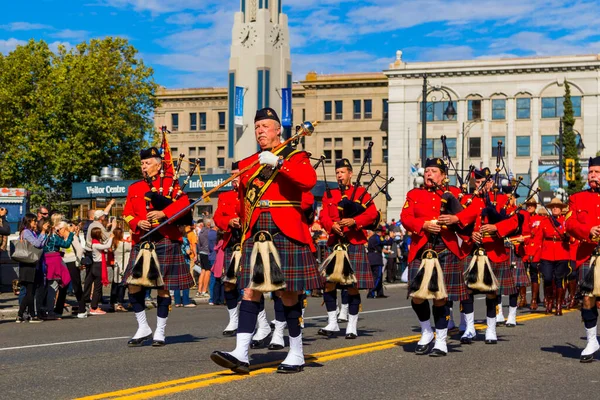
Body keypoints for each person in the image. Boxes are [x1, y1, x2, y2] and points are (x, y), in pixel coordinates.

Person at [211, 107, 320, 374]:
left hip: (285, 227)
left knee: (288, 294)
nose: (260, 131)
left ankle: (296, 352)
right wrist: (236, 225)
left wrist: (279, 163)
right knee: (249, 290)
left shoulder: (296, 156)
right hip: (256, 229)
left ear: (277, 130)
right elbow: (242, 201)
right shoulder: (249, 163)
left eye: (265, 126)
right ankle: (241, 353)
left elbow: (309, 182)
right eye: (257, 126)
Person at [121, 146, 195, 347]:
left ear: (158, 164)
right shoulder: (134, 188)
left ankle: (160, 331)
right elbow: (127, 212)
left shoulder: (171, 183)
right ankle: (143, 326)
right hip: (142, 239)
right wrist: (137, 223)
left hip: (164, 238)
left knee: (162, 288)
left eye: (147, 163)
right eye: (142, 163)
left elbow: (185, 205)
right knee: (133, 284)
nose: (144, 166)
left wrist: (164, 214)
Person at [440, 167, 520, 345]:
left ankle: (491, 329)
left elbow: (514, 221)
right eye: (477, 182)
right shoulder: (468, 200)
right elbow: (459, 223)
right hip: (471, 249)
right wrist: (469, 235)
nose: (481, 185)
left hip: (493, 249)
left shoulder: (501, 200)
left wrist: (496, 228)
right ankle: (469, 328)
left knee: (491, 292)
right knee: (467, 292)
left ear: (491, 182)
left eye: (484, 182)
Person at [401, 158, 470, 356]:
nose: (428, 174)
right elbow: (405, 217)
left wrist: (455, 217)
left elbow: (468, 215)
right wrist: (423, 225)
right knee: (418, 297)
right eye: (427, 171)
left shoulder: (454, 193)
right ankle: (426, 331)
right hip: (421, 248)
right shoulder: (414, 194)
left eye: (433, 171)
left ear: (443, 175)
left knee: (440, 298)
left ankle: (441, 340)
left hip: (445, 247)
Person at [317, 158, 379, 339]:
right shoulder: (329, 194)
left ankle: (352, 325)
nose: (339, 176)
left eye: (342, 172)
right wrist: (331, 225)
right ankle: (332, 323)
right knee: (328, 285)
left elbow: (372, 214)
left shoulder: (361, 192)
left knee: (352, 286)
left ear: (350, 174)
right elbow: (323, 216)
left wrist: (354, 221)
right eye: (337, 173)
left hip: (354, 242)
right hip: (335, 243)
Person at [566, 156, 600, 362]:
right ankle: (591, 340)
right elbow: (569, 225)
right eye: (590, 172)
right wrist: (588, 230)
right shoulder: (577, 197)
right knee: (588, 298)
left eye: (596, 172)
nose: (592, 175)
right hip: (588, 254)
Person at [213, 162, 243, 336]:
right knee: (229, 284)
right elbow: (218, 217)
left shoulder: (250, 194)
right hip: (231, 243)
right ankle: (233, 320)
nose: (233, 178)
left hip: (248, 243)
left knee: (250, 286)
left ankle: (261, 323)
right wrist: (229, 221)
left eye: (236, 175)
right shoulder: (225, 196)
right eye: (232, 175)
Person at [532, 197, 570, 316]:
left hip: (562, 252)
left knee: (559, 279)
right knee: (547, 278)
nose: (555, 208)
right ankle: (549, 301)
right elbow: (538, 240)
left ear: (561, 209)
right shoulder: (545, 221)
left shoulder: (565, 222)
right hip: (547, 253)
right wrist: (534, 256)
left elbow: (572, 236)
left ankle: (558, 305)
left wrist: (567, 236)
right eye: (553, 207)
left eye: (557, 207)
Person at [16, 214, 49, 323]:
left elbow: (41, 245)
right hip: (28, 265)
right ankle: (24, 314)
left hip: (32, 264)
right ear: (28, 222)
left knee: (31, 291)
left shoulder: (31, 232)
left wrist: (44, 235)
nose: (35, 223)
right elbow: (37, 244)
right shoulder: (26, 232)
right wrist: (43, 232)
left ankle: (27, 314)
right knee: (29, 292)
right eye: (33, 221)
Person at [42, 220, 74, 320]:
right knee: (53, 286)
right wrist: (71, 234)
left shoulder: (42, 235)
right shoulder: (54, 237)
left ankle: (42, 309)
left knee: (45, 287)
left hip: (45, 260)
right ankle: (50, 311)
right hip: (54, 262)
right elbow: (66, 244)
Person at [56, 221, 85, 318]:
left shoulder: (72, 237)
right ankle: (58, 310)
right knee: (62, 287)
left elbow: (80, 249)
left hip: (73, 262)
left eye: (58, 230)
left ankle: (82, 309)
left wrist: (78, 262)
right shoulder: (60, 238)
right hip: (64, 263)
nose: (58, 232)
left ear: (64, 228)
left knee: (77, 286)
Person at [110, 227, 131, 312]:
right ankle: (119, 304)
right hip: (123, 267)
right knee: (122, 286)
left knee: (114, 285)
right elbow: (131, 246)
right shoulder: (123, 244)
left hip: (116, 266)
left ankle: (112, 303)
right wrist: (131, 235)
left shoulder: (113, 243)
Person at [367, 228, 390, 298]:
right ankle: (371, 291)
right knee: (378, 276)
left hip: (372, 258)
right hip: (376, 258)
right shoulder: (376, 238)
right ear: (379, 232)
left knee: (377, 277)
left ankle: (380, 293)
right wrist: (390, 238)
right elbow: (385, 242)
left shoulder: (372, 238)